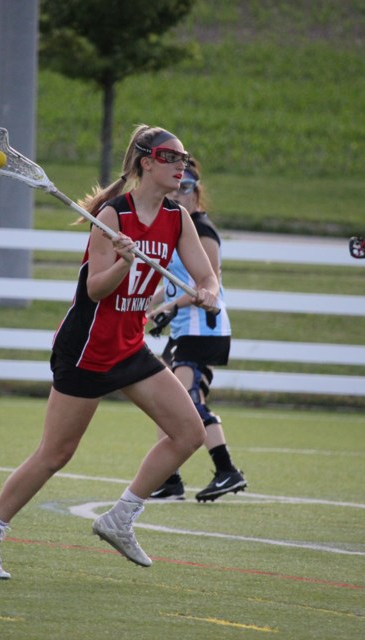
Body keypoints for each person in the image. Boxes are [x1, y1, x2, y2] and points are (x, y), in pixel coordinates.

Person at [0, 125, 220, 579]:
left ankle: (121, 518)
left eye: (185, 158)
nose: (182, 165)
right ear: (146, 162)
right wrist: (124, 260)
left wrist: (209, 292)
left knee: (189, 432)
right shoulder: (113, 217)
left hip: (129, 344)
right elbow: (96, 290)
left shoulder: (177, 219)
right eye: (171, 157)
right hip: (86, 347)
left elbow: (206, 275)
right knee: (55, 454)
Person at [145, 159, 246, 502]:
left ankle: (226, 470)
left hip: (204, 329)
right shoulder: (179, 227)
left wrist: (169, 307)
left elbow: (207, 285)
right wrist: (150, 302)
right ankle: (170, 478)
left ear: (197, 192)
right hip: (184, 329)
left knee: (187, 401)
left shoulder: (202, 230)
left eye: (187, 189)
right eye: (176, 188)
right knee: (164, 399)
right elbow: (177, 284)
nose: (179, 195)